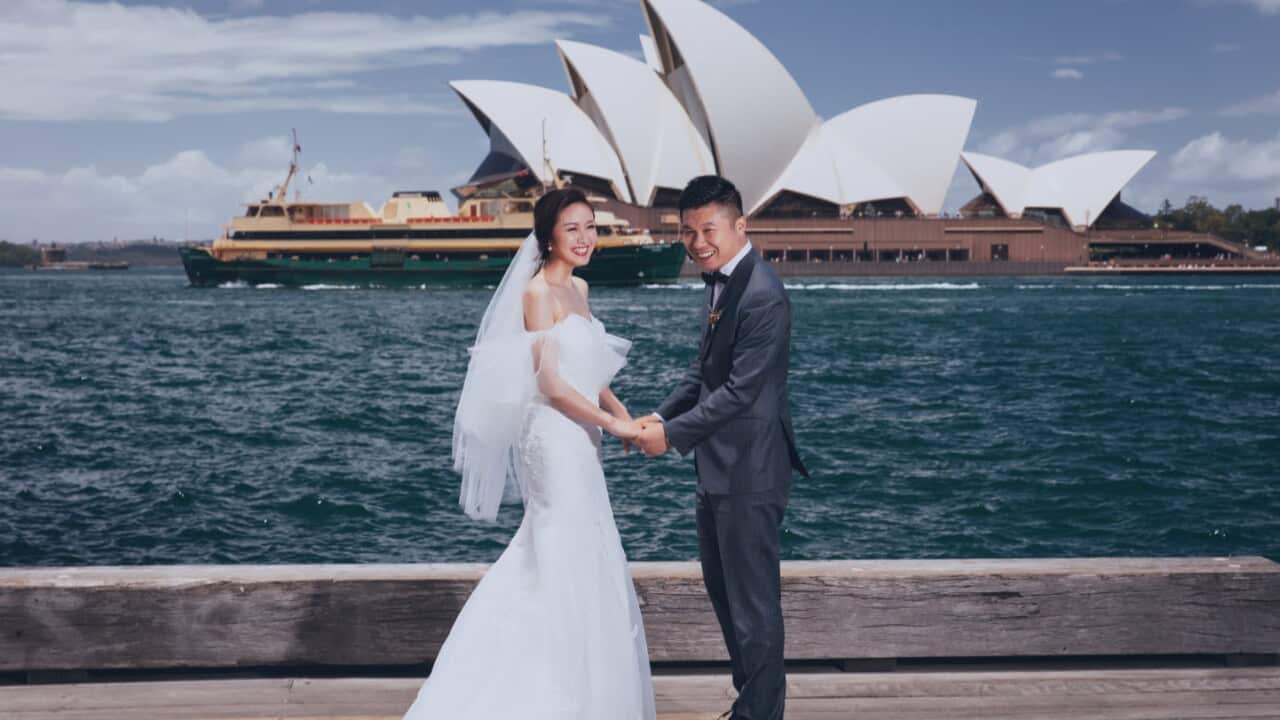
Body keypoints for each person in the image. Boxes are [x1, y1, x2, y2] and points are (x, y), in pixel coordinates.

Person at [402, 187, 655, 720]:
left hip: (583, 437)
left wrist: (625, 419)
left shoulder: (580, 288)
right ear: (548, 237)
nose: (585, 238)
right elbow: (553, 384)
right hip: (553, 435)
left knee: (586, 545)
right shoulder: (537, 293)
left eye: (591, 227)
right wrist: (614, 424)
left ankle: (585, 684)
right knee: (558, 545)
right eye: (572, 229)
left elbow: (593, 373)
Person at [634, 175, 807, 720]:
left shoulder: (764, 294)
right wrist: (661, 414)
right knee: (728, 600)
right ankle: (750, 706)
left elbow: (739, 392)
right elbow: (704, 373)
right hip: (718, 471)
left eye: (709, 229)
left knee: (754, 608)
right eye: (688, 231)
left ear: (740, 225)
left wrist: (672, 436)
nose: (697, 241)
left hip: (751, 474)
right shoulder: (723, 280)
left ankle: (761, 715)